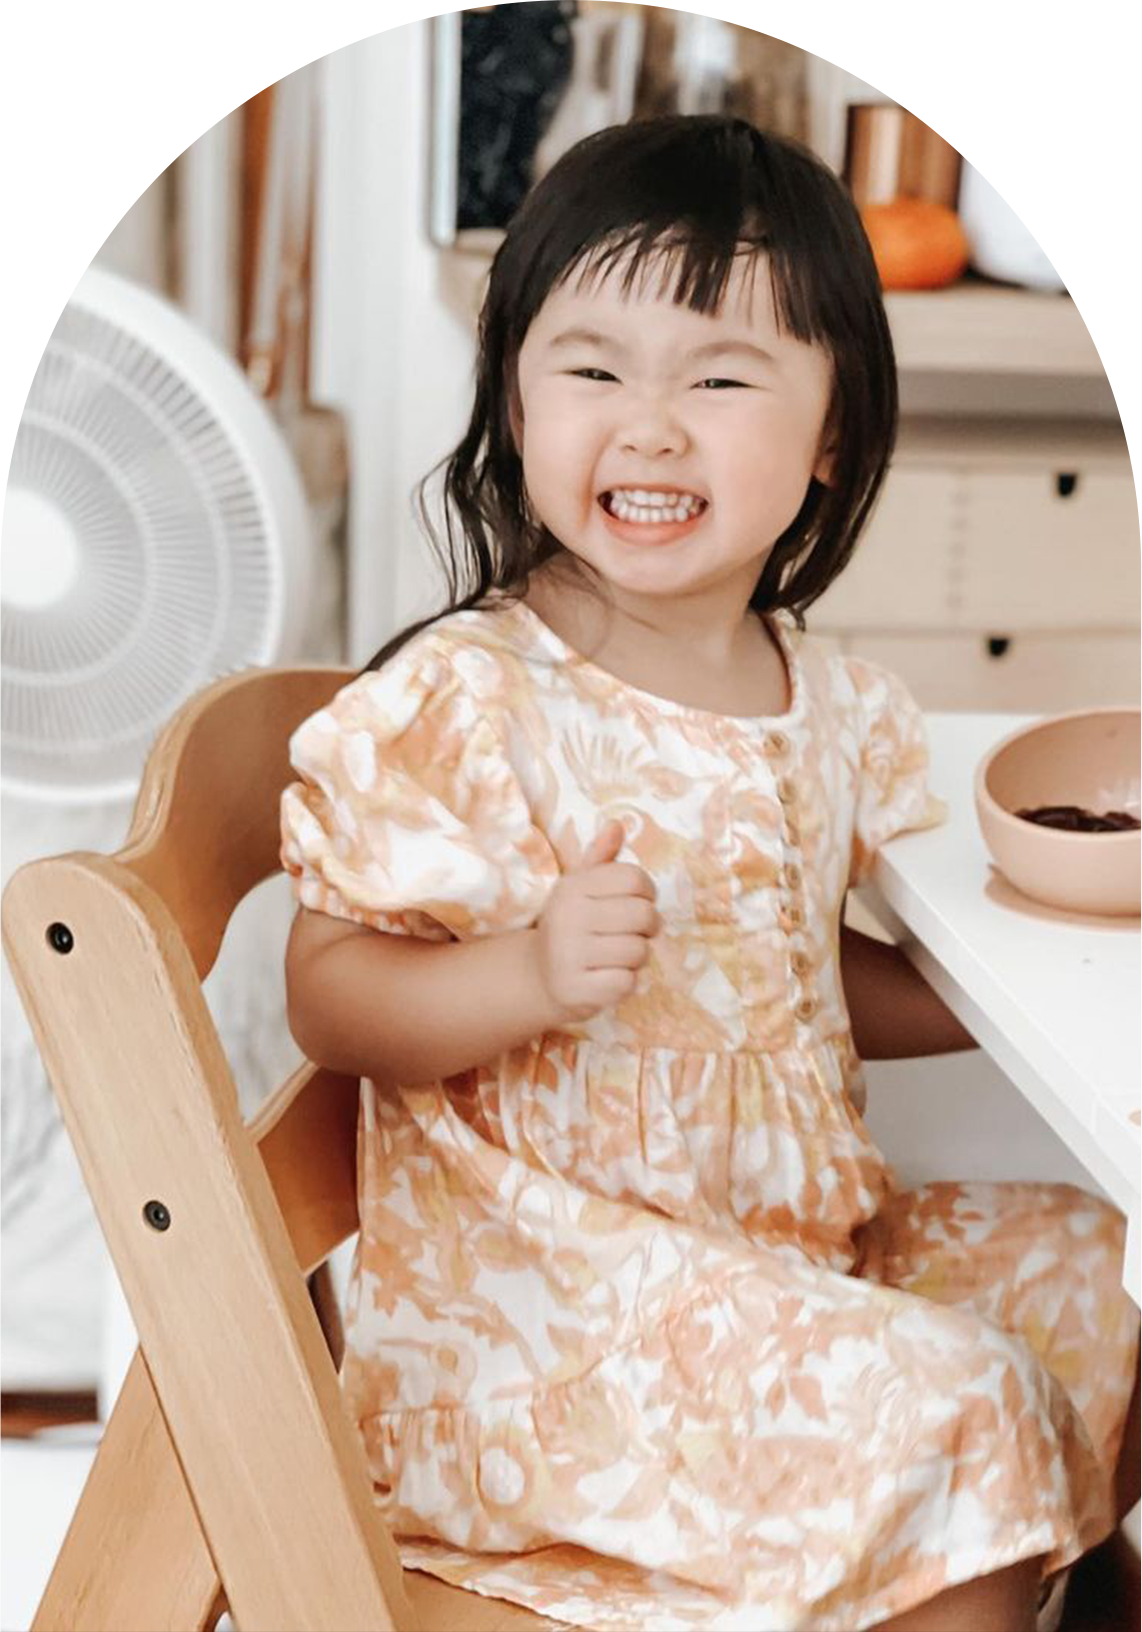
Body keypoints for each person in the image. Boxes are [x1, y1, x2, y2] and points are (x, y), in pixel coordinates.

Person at [280, 115, 1141, 1631]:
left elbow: (793, 985)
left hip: (772, 1268)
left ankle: (925, 1592)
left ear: (828, 436)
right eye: (594, 369)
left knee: (1098, 1271)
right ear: (513, 398)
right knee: (962, 1400)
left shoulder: (817, 698)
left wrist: (1019, 985)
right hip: (546, 1337)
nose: (652, 424)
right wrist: (527, 972)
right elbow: (330, 997)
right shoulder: (477, 702)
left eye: (722, 378)